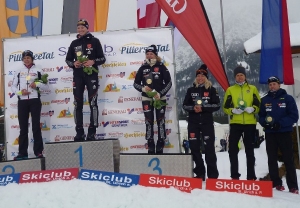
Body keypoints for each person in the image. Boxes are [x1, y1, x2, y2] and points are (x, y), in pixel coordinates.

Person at [65, 19, 106, 141]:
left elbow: (102, 59)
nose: (80, 30)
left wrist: (93, 61)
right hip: (78, 76)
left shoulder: (94, 41)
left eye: (83, 27)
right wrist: (74, 63)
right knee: (78, 104)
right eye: (78, 28)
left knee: (93, 103)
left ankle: (92, 132)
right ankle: (79, 132)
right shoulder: (74, 43)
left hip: (91, 76)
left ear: (87, 28)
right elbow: (68, 60)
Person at [258, 76, 299, 194]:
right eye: (270, 85)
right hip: (270, 134)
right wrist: (265, 123)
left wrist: (279, 124)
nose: (272, 86)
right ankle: (276, 183)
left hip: (284, 133)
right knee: (272, 159)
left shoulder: (288, 98)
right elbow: (260, 116)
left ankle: (293, 186)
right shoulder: (265, 100)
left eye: (274, 84)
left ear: (279, 85)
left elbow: (294, 116)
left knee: (288, 159)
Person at [182, 64, 220, 180]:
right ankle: (200, 173)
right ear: (196, 78)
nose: (200, 78)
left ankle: (212, 175)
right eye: (198, 76)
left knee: (209, 149)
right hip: (193, 123)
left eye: (202, 76)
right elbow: (184, 105)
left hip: (207, 123)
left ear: (206, 78)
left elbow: (217, 105)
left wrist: (203, 108)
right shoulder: (190, 90)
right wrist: (193, 108)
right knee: (194, 148)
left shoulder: (212, 90)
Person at [223, 66, 261, 180]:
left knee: (250, 150)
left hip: (250, 123)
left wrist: (253, 109)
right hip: (236, 123)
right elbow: (225, 107)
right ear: (235, 77)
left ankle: (251, 176)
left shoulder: (252, 88)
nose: (240, 77)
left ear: (245, 76)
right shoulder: (230, 89)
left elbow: (258, 104)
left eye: (242, 75)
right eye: (237, 75)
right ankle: (234, 175)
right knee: (232, 150)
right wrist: (232, 110)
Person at [133, 45, 172, 154]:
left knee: (160, 121)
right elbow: (135, 84)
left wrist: (160, 93)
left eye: (151, 54)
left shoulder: (161, 66)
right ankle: (150, 143)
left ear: (156, 55)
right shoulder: (142, 67)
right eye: (147, 54)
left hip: (160, 98)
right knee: (149, 121)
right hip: (146, 98)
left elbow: (169, 83)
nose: (149, 56)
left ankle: (160, 143)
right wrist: (143, 88)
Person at [11, 50, 49, 160]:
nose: (26, 59)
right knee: (23, 128)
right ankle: (22, 153)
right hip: (22, 101)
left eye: (28, 57)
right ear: (22, 59)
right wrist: (19, 92)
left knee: (36, 126)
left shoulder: (38, 70)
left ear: (32, 59)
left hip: (34, 100)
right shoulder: (18, 71)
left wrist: (36, 84)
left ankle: (38, 152)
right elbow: (13, 86)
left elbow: (46, 86)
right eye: (25, 58)